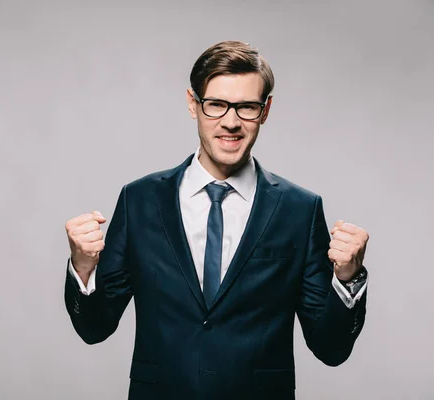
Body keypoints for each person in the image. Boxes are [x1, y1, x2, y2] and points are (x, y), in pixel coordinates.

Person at [63, 40, 369, 400]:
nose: (231, 121)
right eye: (217, 105)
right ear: (194, 104)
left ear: (265, 110)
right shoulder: (140, 200)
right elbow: (94, 327)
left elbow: (331, 349)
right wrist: (83, 268)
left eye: (246, 107)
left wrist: (348, 279)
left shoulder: (300, 210)